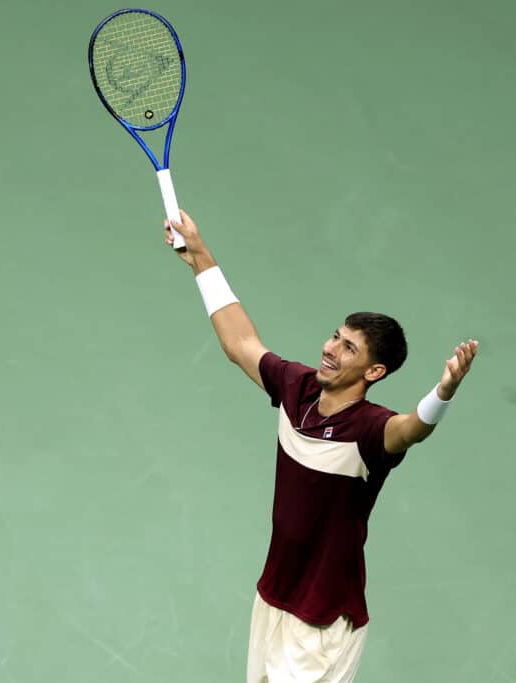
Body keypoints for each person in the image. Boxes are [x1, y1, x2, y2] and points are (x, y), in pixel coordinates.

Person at [164, 210, 479, 682]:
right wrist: (201, 258)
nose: (331, 349)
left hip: (323, 620)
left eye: (349, 348)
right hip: (273, 598)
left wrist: (444, 393)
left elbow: (413, 428)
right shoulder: (297, 389)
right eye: (336, 336)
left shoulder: (373, 431)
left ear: (375, 373)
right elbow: (240, 343)